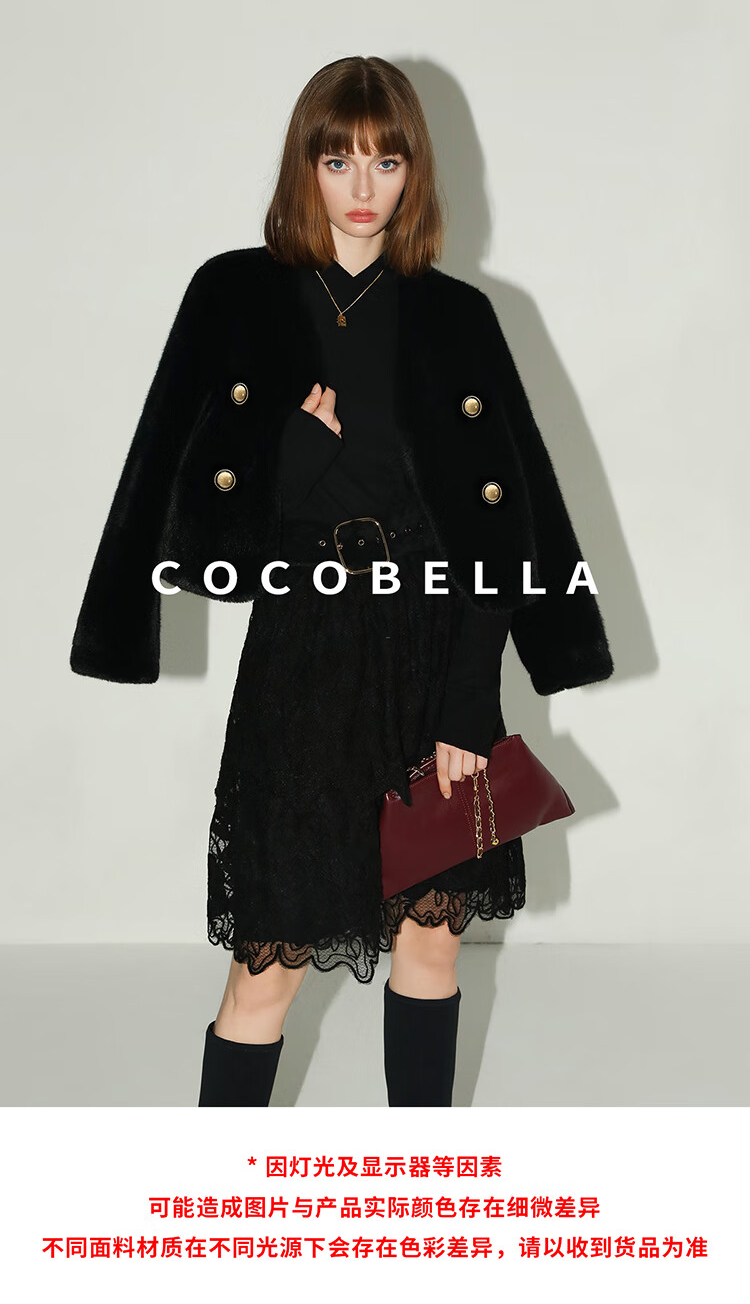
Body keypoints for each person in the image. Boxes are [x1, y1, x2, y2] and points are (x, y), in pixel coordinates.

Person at [70, 55, 614, 1109]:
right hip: (303, 652)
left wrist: (471, 699)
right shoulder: (233, 293)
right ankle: (218, 1202)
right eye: (338, 160)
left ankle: (421, 1187)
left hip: (434, 648)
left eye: (386, 161)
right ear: (304, 167)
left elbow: (503, 525)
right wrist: (293, 463)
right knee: (266, 965)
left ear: (416, 173)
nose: (363, 187)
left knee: (432, 943)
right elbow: (178, 497)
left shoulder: (458, 316)